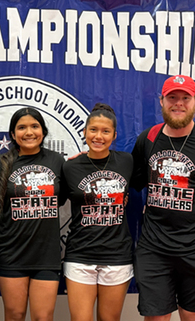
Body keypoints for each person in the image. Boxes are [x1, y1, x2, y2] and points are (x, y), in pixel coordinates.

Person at [131, 74, 195, 320]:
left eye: (185, 98)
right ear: (161, 101)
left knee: (191, 316)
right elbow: (131, 179)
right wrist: (92, 162)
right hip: (154, 249)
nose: (178, 103)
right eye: (172, 98)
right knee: (155, 316)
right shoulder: (148, 139)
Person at [0, 108, 68, 321]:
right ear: (13, 134)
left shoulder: (57, 161)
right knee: (15, 314)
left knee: (42, 316)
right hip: (11, 252)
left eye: (34, 126)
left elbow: (61, 199)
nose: (29, 132)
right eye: (22, 127)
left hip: (46, 253)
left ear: (43, 131)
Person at [61, 104, 134, 321]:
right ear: (84, 132)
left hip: (117, 255)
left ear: (114, 135)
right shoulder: (70, 167)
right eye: (93, 130)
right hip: (80, 255)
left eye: (105, 131)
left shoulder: (127, 161)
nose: (98, 136)